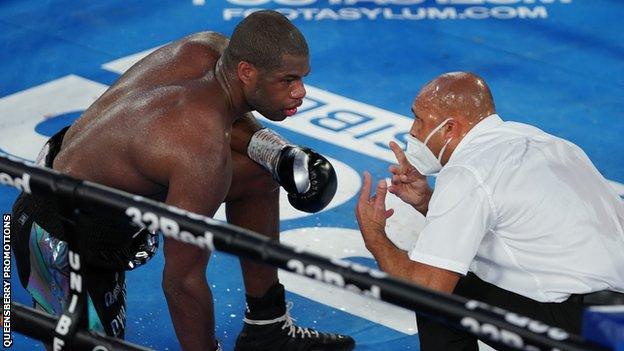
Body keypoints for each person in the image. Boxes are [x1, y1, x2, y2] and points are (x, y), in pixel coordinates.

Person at [11, 10, 355, 351]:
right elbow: (182, 282)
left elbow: (227, 113)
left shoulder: (207, 49)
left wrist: (277, 154)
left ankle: (267, 327)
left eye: (302, 78)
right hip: (57, 234)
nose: (301, 92)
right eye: (287, 80)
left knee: (258, 174)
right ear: (247, 72)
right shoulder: (202, 153)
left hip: (80, 177)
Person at [355, 71, 624, 350]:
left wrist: (374, 236)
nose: (412, 130)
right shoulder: (544, 140)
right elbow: (513, 220)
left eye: (420, 120)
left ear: (450, 128)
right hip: (615, 317)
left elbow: (426, 290)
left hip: (588, 328)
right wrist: (427, 202)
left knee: (441, 294)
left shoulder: (468, 171)